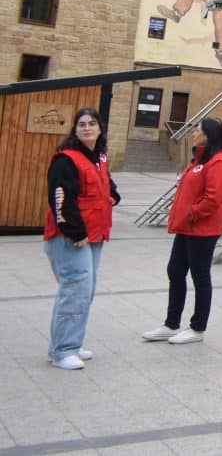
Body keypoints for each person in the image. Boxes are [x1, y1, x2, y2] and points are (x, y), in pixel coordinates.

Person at [141, 117, 222, 345]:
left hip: (202, 230)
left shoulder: (219, 161)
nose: (194, 133)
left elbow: (214, 198)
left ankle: (198, 328)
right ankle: (171, 323)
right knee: (175, 271)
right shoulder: (201, 159)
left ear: (208, 135)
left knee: (200, 276)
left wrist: (192, 213)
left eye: (197, 130)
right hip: (187, 228)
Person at [43, 108, 120, 370]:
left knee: (86, 291)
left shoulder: (99, 159)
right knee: (75, 290)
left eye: (92, 123)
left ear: (100, 129)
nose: (87, 128)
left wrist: (113, 196)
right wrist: (75, 232)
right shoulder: (66, 160)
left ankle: (72, 343)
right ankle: (63, 350)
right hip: (73, 238)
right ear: (75, 130)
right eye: (81, 124)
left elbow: (106, 184)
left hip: (94, 236)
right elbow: (60, 198)